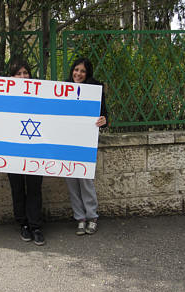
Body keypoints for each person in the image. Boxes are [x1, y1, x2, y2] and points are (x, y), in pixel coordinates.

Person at [66, 57, 108, 236]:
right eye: (76, 70)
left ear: (88, 73)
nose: (78, 74)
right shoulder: (63, 89)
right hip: (66, 142)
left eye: (83, 71)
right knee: (71, 180)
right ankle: (80, 218)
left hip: (85, 143)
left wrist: (104, 120)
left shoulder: (95, 90)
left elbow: (104, 117)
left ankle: (92, 216)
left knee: (85, 180)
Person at [7, 60, 46, 246]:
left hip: (35, 149)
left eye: (26, 73)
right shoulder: (4, 97)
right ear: (11, 77)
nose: (23, 77)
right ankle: (22, 223)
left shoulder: (40, 95)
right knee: (17, 188)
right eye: (18, 73)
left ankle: (36, 226)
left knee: (34, 188)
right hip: (12, 150)